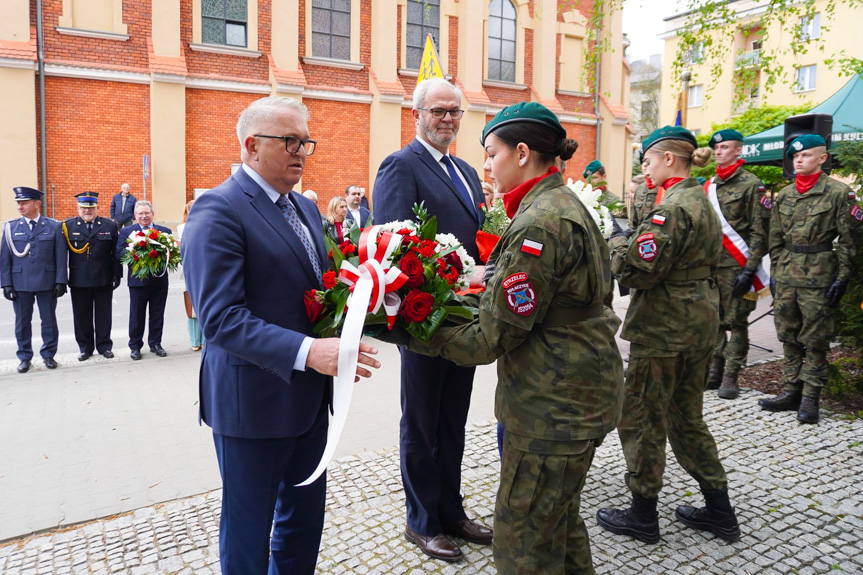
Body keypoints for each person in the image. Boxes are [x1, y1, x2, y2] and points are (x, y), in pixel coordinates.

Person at [401, 101, 623, 574]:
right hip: (577, 392)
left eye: (491, 152)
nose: (484, 165)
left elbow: (491, 338)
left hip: (553, 405)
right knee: (559, 526)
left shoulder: (538, 224)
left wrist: (414, 330)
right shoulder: (561, 204)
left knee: (523, 542)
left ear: (522, 153)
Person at [180, 96, 380, 575]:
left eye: (305, 141)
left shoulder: (305, 209)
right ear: (251, 145)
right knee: (249, 532)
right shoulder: (218, 210)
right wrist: (312, 352)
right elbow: (221, 318)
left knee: (302, 523)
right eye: (289, 141)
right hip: (253, 404)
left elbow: (318, 291)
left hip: (309, 401)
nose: (301, 152)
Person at [597, 126, 741, 545]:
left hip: (665, 326)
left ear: (669, 159)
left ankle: (642, 513)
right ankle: (719, 510)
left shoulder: (671, 209)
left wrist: (619, 241)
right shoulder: (700, 199)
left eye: (648, 160)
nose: (645, 168)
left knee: (642, 415)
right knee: (686, 417)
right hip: (698, 321)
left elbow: (638, 270)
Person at [373, 76, 489, 562]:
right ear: (416, 114)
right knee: (421, 423)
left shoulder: (465, 170)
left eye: (454, 112)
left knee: (453, 421)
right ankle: (421, 521)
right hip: (425, 323)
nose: (447, 119)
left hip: (464, 321)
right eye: (438, 111)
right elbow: (395, 245)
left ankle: (451, 511)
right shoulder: (400, 166)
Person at [758, 134, 860, 424]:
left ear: (822, 158)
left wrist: (842, 277)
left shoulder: (840, 193)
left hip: (819, 275)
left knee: (815, 340)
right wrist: (776, 272)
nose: (798, 160)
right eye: (795, 156)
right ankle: (791, 390)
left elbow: (850, 241)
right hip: (788, 273)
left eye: (805, 155)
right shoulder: (787, 194)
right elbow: (775, 237)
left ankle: (810, 398)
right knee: (788, 335)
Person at [704, 129, 771, 399]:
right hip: (712, 266)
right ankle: (714, 370)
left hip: (739, 265)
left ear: (738, 151)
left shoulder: (752, 185)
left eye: (725, 148)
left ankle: (732, 374)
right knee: (715, 321)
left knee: (738, 322)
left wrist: (750, 268)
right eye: (717, 149)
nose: (719, 152)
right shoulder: (709, 185)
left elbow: (760, 230)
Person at [1, 187, 67, 373]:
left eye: (24, 203)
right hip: (20, 282)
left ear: (37, 204)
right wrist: (6, 284)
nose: (20, 206)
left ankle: (48, 354)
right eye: (18, 203)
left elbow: (60, 256)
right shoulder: (11, 227)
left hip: (47, 281)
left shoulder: (53, 226)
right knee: (22, 322)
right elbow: (5, 258)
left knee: (48, 320)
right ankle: (24, 356)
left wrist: (61, 281)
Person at [62, 191, 121, 361]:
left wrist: (118, 274)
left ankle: (104, 346)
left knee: (104, 314)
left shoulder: (109, 226)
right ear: (78, 208)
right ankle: (85, 347)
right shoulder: (68, 226)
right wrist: (62, 278)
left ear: (97, 208)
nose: (87, 211)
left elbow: (115, 253)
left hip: (103, 278)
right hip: (79, 280)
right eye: (83, 208)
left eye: (91, 208)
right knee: (81, 316)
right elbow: (62, 256)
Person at [116, 201, 171, 360]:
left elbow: (171, 254)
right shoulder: (126, 232)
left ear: (152, 214)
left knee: (157, 314)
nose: (144, 216)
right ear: (135, 215)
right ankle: (135, 346)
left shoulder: (163, 232)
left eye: (147, 213)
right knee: (136, 316)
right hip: (137, 282)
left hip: (159, 281)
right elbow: (119, 253)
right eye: (140, 213)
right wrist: (136, 254)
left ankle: (155, 344)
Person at [176, 200, 203, 352]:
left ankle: (206, 340)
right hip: (191, 270)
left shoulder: (210, 224)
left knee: (206, 305)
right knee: (192, 306)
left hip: (207, 270)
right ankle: (194, 340)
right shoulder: (182, 227)